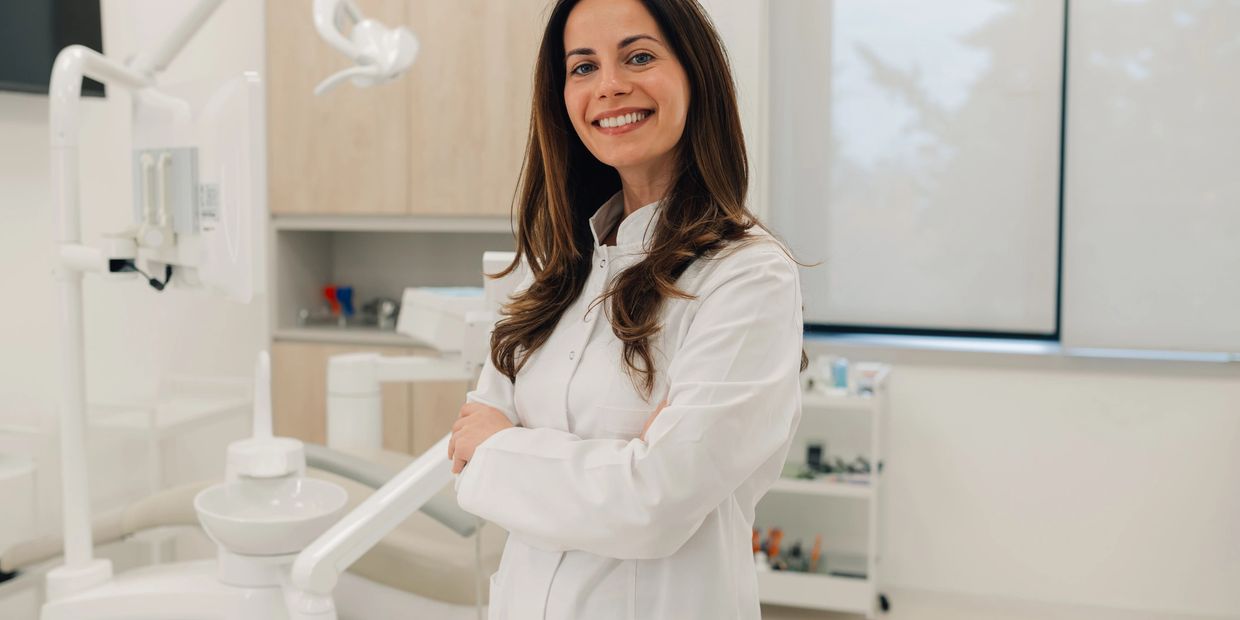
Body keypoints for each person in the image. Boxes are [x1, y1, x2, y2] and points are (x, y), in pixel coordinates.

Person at [447, 0, 805, 617]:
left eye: (638, 57)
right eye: (582, 67)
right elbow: (465, 447)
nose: (609, 86)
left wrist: (504, 452)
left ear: (695, 74)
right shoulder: (556, 269)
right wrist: (615, 465)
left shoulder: (747, 275)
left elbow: (655, 502)